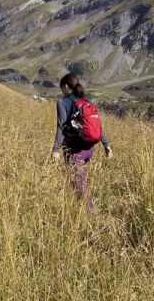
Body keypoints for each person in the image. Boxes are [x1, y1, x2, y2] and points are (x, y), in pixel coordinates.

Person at [51, 73, 113, 209]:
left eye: (62, 88)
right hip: (89, 149)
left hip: (75, 151)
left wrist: (56, 149)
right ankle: (71, 209)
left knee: (80, 190)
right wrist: (106, 145)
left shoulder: (62, 102)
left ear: (66, 87)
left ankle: (93, 220)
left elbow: (61, 127)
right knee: (71, 180)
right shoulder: (87, 101)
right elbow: (97, 126)